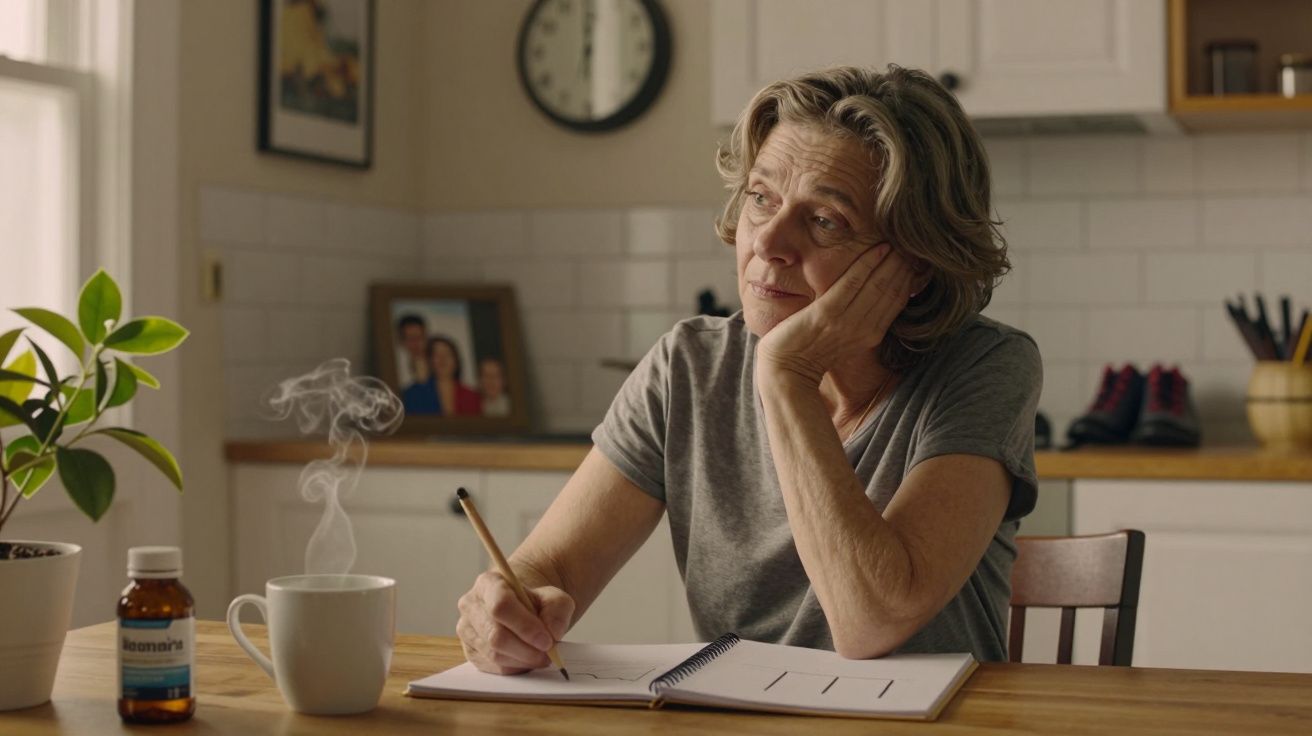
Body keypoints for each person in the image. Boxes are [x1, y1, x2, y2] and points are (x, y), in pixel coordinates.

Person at [455, 65, 1041, 674]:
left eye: (824, 220)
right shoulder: (689, 366)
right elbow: (549, 567)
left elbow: (873, 619)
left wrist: (787, 376)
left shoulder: (988, 366)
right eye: (762, 198)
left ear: (916, 265)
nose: (767, 242)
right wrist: (503, 612)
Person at [394, 314, 430, 391]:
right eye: (410, 339)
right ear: (401, 341)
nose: (416, 343)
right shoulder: (396, 369)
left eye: (419, 337)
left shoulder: (437, 365)